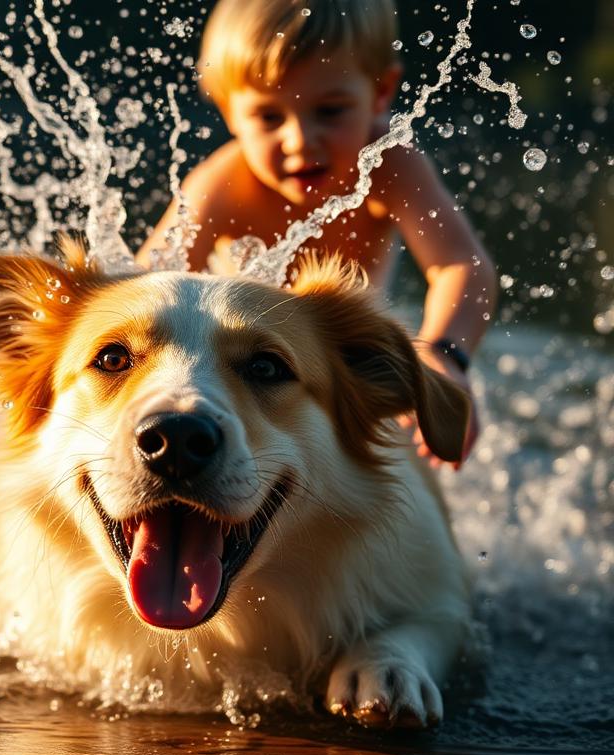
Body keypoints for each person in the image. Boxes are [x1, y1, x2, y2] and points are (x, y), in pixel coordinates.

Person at [136, 0, 496, 468]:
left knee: (394, 450)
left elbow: (462, 267)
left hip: (336, 364)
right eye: (268, 118)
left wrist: (444, 354)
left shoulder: (390, 166)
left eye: (330, 111)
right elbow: (144, 289)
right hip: (243, 375)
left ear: (381, 92)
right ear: (229, 111)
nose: (300, 140)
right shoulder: (220, 187)